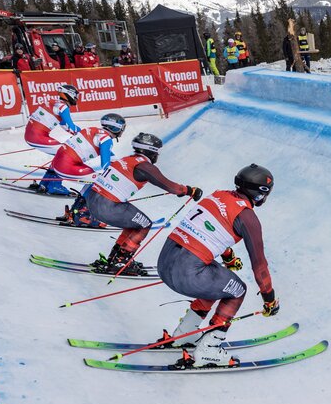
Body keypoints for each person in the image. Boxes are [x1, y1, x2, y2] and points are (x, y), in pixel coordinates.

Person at [157, 164, 278, 368]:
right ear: (260, 193)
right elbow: (260, 264)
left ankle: (184, 334)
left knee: (216, 279)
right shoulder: (247, 217)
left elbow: (210, 231)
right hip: (187, 274)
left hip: (164, 263)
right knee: (238, 290)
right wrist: (269, 298)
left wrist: (229, 257)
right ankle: (209, 350)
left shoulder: (218, 195)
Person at [84, 133, 203, 275]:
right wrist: (190, 190)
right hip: (107, 205)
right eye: (157, 152)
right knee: (144, 224)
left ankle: (116, 257)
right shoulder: (144, 166)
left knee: (135, 222)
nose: (158, 156)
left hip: (93, 200)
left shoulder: (128, 159)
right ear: (151, 151)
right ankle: (120, 261)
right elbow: (173, 188)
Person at [42, 113, 125, 197]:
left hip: (56, 163)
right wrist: (117, 178)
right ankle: (81, 204)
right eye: (122, 127)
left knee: (67, 157)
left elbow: (109, 154)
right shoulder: (106, 140)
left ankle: (44, 184)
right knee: (100, 179)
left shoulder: (92, 129)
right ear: (116, 128)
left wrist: (119, 164)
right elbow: (105, 165)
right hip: (65, 168)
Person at [24, 83, 82, 193]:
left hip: (31, 134)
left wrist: (79, 132)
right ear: (69, 95)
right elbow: (70, 126)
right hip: (38, 137)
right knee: (66, 155)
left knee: (62, 153)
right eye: (75, 96)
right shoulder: (63, 106)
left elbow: (65, 125)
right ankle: (54, 185)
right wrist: (83, 135)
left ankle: (45, 183)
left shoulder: (54, 102)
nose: (76, 99)